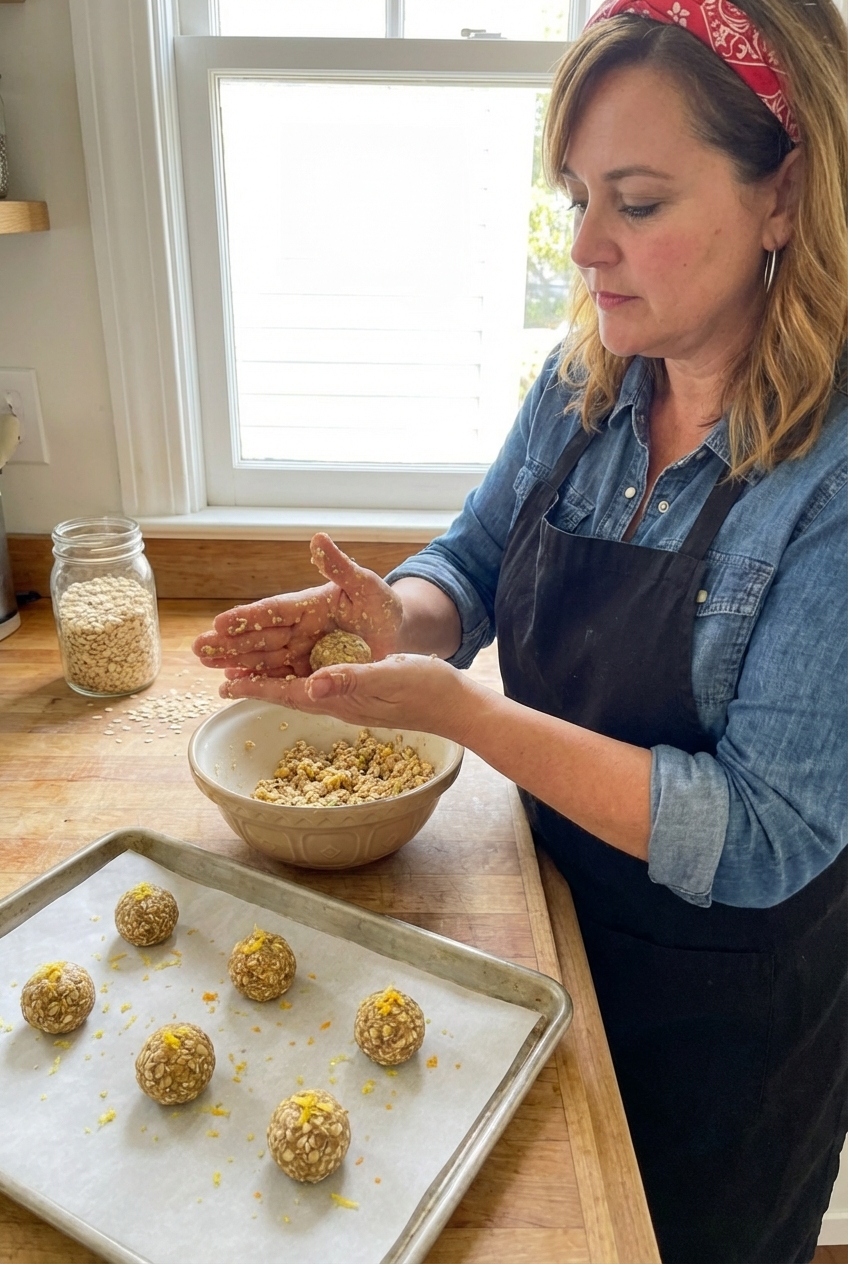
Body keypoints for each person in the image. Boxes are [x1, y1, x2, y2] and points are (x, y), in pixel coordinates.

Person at [193, 0, 848, 1259]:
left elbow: (765, 835)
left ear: (785, 193)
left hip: (718, 1026)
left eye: (637, 202)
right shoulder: (582, 385)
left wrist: (465, 713)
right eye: (573, 194)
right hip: (542, 940)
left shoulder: (825, 480)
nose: (583, 246)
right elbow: (475, 560)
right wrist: (405, 616)